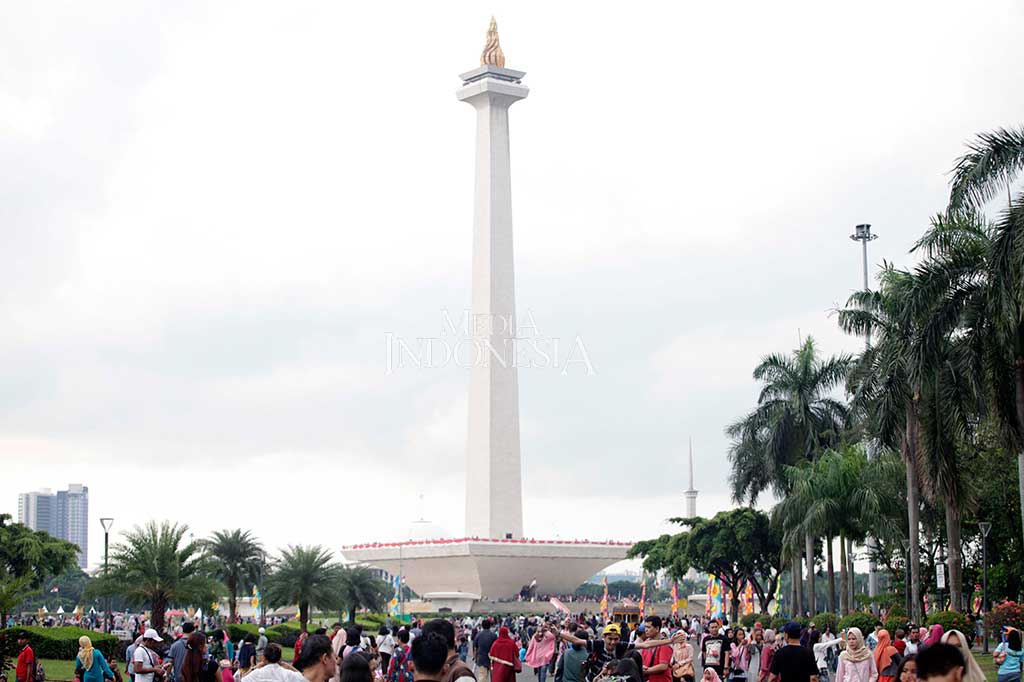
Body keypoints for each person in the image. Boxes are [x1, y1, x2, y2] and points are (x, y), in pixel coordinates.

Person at [640, 617, 672, 682]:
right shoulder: (646, 642)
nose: (646, 630)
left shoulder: (664, 643)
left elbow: (663, 666)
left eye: (649, 627)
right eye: (645, 627)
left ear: (657, 628)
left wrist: (646, 671)